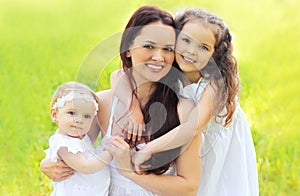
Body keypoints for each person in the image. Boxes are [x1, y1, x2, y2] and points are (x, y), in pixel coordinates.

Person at [40, 6, 202, 196]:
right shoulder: (102, 104)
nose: (159, 57)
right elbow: (71, 144)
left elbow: (188, 188)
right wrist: (48, 163)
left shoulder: (183, 109)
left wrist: (130, 172)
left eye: (168, 49)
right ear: (127, 50)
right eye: (149, 46)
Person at [125, 8, 259, 196]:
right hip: (187, 150)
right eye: (186, 40)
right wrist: (133, 109)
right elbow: (119, 76)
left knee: (215, 186)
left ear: (215, 54)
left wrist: (150, 149)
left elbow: (193, 127)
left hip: (215, 150)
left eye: (203, 47)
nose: (191, 51)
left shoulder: (215, 84)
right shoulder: (169, 69)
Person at [43, 81, 111, 196]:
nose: (79, 120)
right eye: (72, 113)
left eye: (86, 116)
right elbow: (85, 166)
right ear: (55, 115)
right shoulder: (63, 143)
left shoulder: (81, 139)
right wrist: (109, 153)